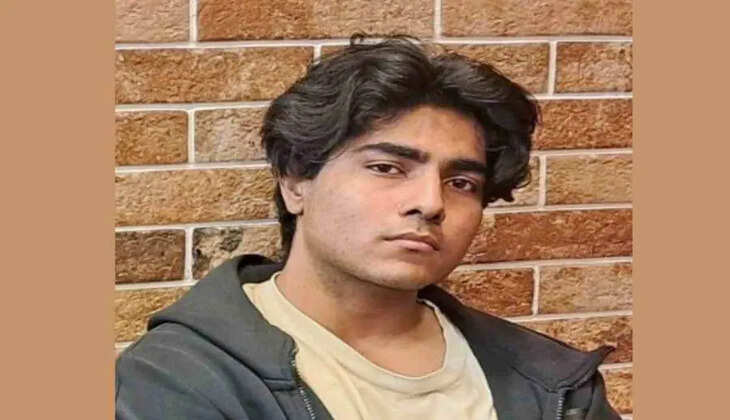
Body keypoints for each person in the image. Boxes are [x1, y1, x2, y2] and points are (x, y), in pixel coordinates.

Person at [115, 35, 621, 420]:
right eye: (387, 168)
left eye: (461, 182)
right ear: (296, 183)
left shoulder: (552, 384)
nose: (430, 203)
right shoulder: (186, 376)